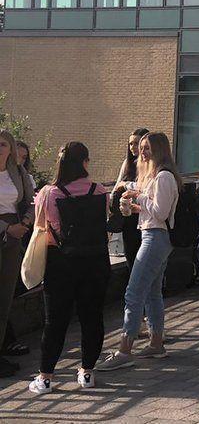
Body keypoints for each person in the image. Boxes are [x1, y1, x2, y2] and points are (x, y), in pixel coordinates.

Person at [27, 142, 110, 394]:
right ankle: (87, 372)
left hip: (61, 262)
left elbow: (44, 229)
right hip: (95, 260)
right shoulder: (100, 190)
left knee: (56, 320)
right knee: (92, 316)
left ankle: (45, 377)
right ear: (85, 162)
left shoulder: (49, 193)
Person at [98, 132, 179, 370]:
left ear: (160, 150)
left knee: (133, 293)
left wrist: (138, 197)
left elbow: (160, 211)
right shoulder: (153, 176)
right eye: (141, 148)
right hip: (151, 234)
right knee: (153, 292)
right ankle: (156, 343)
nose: (142, 153)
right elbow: (148, 202)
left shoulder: (164, 177)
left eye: (147, 148)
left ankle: (125, 349)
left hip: (156, 237)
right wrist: (133, 200)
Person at [0, 130, 34, 379]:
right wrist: (6, 227)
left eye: (3, 144)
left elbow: (32, 201)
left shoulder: (18, 174)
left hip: (14, 237)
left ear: (10, 148)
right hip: (4, 229)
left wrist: (24, 221)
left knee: (5, 295)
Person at [116, 128, 150, 271]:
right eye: (130, 144)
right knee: (131, 257)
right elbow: (118, 185)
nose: (133, 148)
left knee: (145, 261)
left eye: (137, 144)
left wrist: (127, 185)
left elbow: (148, 186)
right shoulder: (128, 163)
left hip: (146, 215)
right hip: (128, 215)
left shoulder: (151, 164)